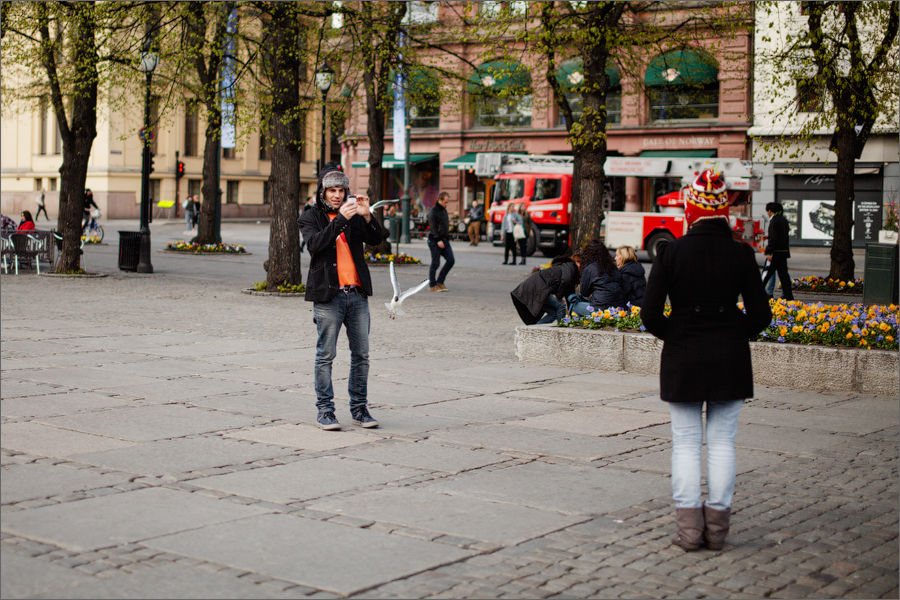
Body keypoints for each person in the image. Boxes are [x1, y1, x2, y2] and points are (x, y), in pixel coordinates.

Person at [641, 169, 772, 552]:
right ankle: (717, 530)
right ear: (724, 210)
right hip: (729, 355)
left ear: (691, 208)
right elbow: (761, 316)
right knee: (722, 442)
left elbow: (650, 315)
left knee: (684, 443)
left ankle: (689, 532)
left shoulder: (670, 252)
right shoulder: (741, 253)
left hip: (683, 355)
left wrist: (679, 334)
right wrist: (732, 331)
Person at [298, 167, 383, 431]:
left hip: (357, 294)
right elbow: (315, 245)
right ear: (322, 191)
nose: (337, 196)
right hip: (328, 296)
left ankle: (359, 409)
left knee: (362, 355)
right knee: (326, 355)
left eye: (341, 190)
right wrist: (340, 221)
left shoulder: (355, 214)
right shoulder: (310, 216)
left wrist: (367, 216)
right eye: (332, 190)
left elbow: (377, 239)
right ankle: (325, 411)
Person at [510, 251, 580, 325]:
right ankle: (561, 331)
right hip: (537, 289)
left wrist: (573, 317)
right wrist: (559, 297)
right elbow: (566, 280)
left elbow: (569, 293)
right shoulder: (571, 267)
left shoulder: (567, 268)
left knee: (554, 313)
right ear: (578, 263)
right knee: (561, 306)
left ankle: (535, 329)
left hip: (537, 288)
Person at [568, 240, 624, 315]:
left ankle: (581, 323)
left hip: (599, 309)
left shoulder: (588, 267)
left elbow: (584, 292)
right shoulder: (613, 267)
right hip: (616, 309)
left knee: (574, 304)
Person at [761, 202, 793, 300]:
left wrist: (768, 251)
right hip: (783, 252)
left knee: (766, 274)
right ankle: (788, 296)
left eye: (768, 211)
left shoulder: (774, 221)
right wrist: (769, 236)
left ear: (770, 211)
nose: (767, 213)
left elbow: (774, 238)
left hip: (775, 252)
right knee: (784, 275)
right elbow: (781, 235)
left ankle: (757, 294)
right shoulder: (784, 220)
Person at [427, 191, 454, 292]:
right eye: (445, 202)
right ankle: (432, 285)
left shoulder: (444, 211)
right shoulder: (433, 212)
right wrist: (438, 239)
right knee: (435, 263)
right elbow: (433, 227)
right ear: (440, 200)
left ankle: (440, 281)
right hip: (435, 240)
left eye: (447, 202)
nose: (446, 204)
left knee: (451, 260)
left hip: (445, 240)